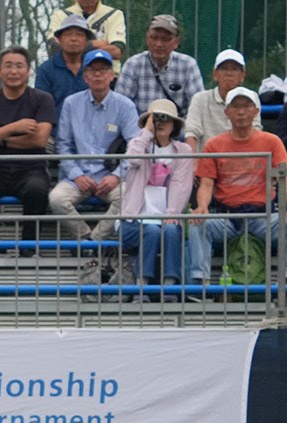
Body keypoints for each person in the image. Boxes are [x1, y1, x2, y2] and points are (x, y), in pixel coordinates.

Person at [188, 88, 286, 287]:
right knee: (197, 222)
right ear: (227, 112)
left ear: (256, 111)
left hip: (263, 216)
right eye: (236, 107)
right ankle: (201, 283)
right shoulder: (214, 145)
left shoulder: (272, 142)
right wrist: (203, 206)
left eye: (246, 106)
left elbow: (284, 178)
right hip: (228, 218)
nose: (241, 111)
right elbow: (206, 183)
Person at [48, 49, 139, 241]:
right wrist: (76, 175)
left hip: (111, 176)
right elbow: (63, 144)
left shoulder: (125, 105)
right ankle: (85, 236)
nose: (98, 74)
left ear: (112, 75)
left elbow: (135, 146)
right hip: (78, 176)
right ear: (85, 76)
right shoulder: (71, 103)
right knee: (56, 199)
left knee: (128, 196)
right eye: (92, 70)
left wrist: (116, 176)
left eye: (103, 70)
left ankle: (94, 240)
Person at [0, 47, 56, 241]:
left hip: (31, 169)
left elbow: (39, 140)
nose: (14, 71)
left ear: (28, 71)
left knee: (37, 190)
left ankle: (29, 245)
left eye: (19, 66)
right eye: (8, 66)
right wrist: (13, 128)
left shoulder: (42, 99)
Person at [117, 99, 193, 292]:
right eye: (157, 118)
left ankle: (170, 287)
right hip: (134, 218)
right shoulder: (138, 144)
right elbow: (132, 160)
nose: (161, 122)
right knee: (150, 231)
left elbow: (181, 185)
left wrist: (171, 213)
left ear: (174, 124)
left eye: (166, 119)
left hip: (166, 217)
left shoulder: (183, 151)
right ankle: (141, 286)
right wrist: (146, 132)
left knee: (169, 230)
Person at [114, 15, 203, 116]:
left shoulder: (188, 65)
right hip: (141, 128)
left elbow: (197, 108)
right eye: (154, 38)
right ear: (147, 38)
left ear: (176, 42)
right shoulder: (133, 65)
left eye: (165, 39)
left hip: (178, 128)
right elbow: (121, 107)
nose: (159, 44)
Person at [184, 50, 260, 152]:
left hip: (242, 159)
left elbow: (256, 130)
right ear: (215, 74)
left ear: (242, 76)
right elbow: (192, 132)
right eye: (224, 69)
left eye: (234, 69)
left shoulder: (252, 97)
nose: (229, 73)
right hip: (207, 161)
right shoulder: (200, 98)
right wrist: (193, 162)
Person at [34, 15, 91, 123]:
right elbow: (41, 108)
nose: (74, 39)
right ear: (58, 39)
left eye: (79, 35)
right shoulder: (46, 70)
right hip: (54, 134)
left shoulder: (94, 68)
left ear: (86, 40)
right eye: (68, 34)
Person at [46, 0, 126, 70]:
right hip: (66, 74)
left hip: (105, 79)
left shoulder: (114, 14)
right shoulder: (60, 16)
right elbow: (56, 49)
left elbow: (116, 51)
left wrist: (71, 49)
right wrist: (92, 45)